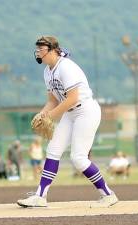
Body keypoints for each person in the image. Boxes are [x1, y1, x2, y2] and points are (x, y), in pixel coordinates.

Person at [17, 36, 118, 208]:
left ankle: (108, 195)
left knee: (78, 158)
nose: (38, 52)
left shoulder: (66, 67)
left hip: (86, 111)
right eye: (38, 49)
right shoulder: (47, 71)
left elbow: (72, 98)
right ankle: (40, 196)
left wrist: (51, 116)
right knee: (53, 150)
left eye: (41, 49)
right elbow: (52, 101)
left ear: (52, 50)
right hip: (70, 114)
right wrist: (42, 114)